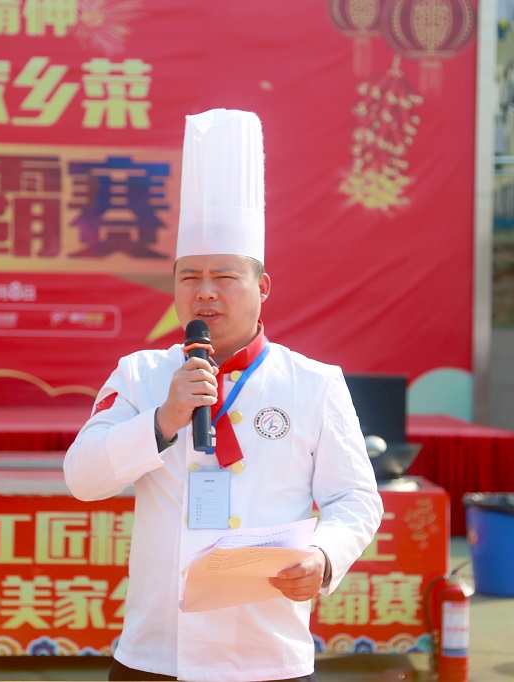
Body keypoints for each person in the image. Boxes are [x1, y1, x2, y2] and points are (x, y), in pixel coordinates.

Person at [63, 109, 384, 681]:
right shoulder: (140, 374)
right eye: (190, 277)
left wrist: (325, 556)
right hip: (155, 653)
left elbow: (355, 499)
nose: (205, 293)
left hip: (267, 651)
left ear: (262, 287)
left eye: (224, 277)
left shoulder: (313, 382)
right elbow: (82, 478)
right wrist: (164, 419)